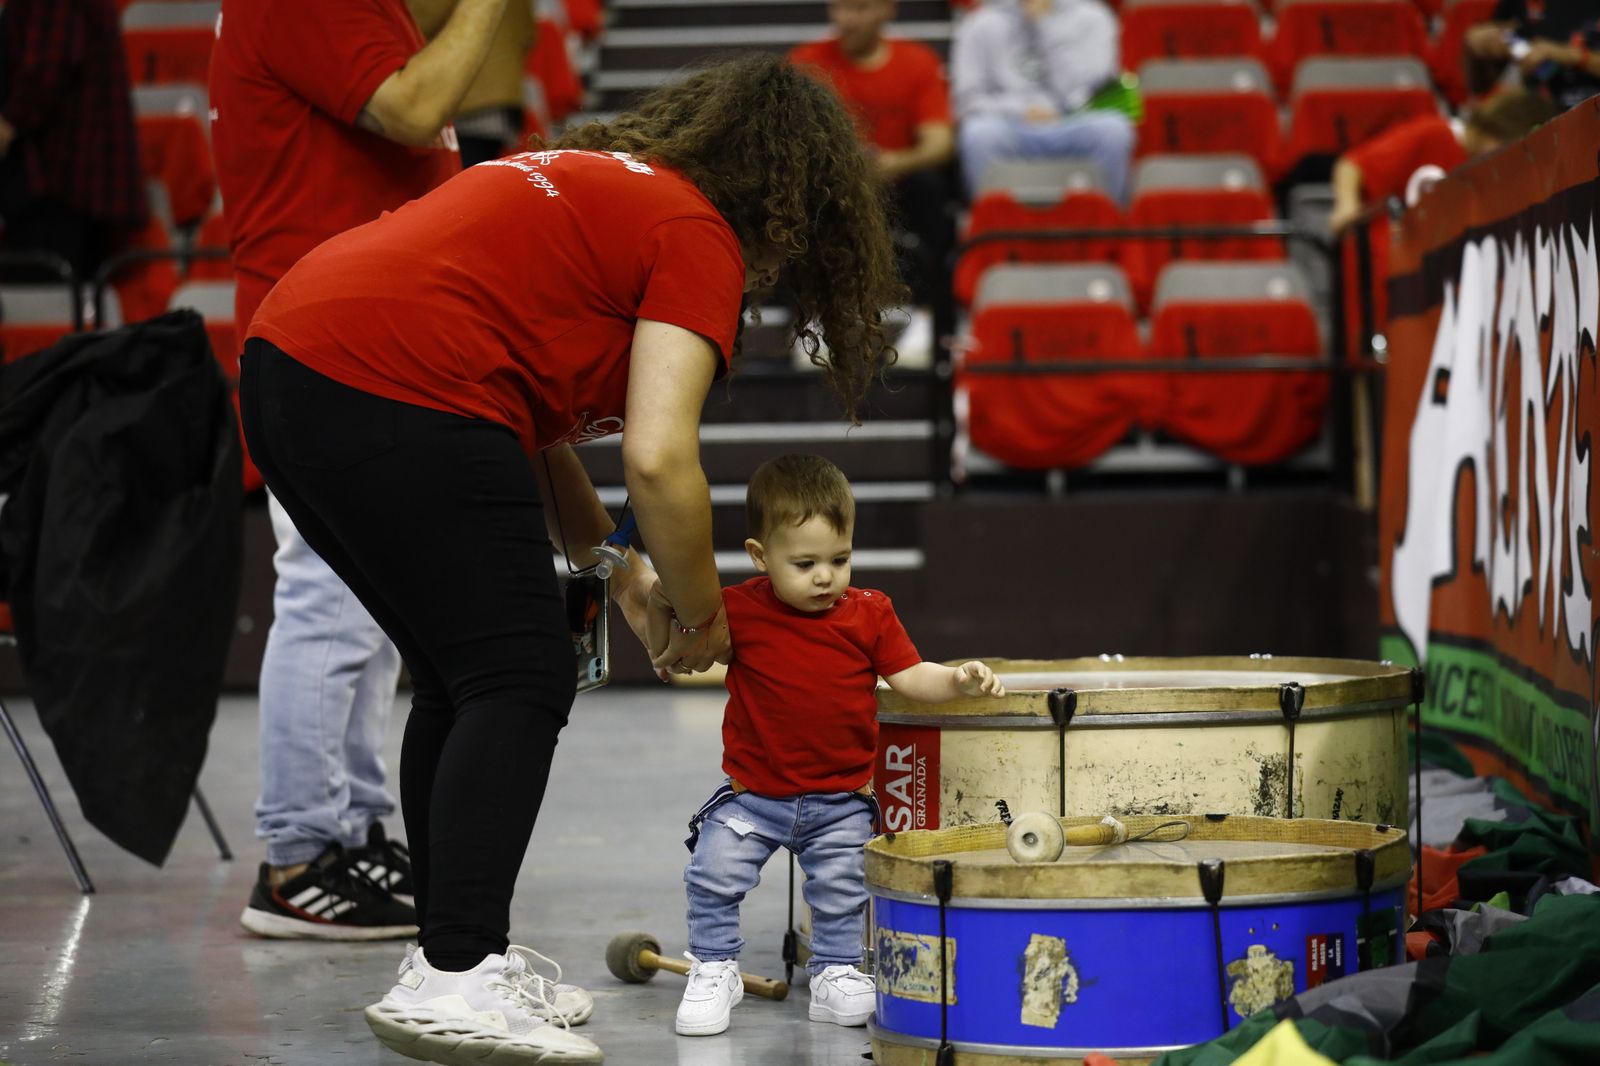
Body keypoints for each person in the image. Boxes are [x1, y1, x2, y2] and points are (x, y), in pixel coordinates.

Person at [237, 54, 904, 1064]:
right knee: (516, 672)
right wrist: (702, 614)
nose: (776, 274)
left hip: (291, 364)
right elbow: (659, 455)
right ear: (788, 210)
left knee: (466, 680)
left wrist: (617, 576)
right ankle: (458, 975)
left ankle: (452, 958)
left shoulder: (597, 179)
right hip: (397, 383)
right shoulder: (695, 235)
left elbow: (532, 424)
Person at [210, 0, 511, 940]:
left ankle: (351, 829)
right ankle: (298, 857)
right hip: (325, 333)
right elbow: (414, 111)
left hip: (359, 327)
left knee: (374, 611)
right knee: (330, 603)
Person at [672, 454, 1005, 1038]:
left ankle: (835, 972)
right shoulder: (739, 610)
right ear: (760, 556)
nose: (825, 576)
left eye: (840, 559)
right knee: (713, 871)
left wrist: (955, 679)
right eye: (804, 563)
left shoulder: (870, 614)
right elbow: (688, 651)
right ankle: (713, 964)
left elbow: (908, 678)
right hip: (754, 797)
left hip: (841, 801)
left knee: (845, 887)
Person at [790, 0, 955, 365]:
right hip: (833, 179)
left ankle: (927, 317)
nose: (847, 20)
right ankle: (813, 317)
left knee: (931, 187)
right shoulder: (807, 61)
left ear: (887, 10)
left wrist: (898, 161)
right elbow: (792, 138)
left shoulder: (917, 62)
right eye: (840, 8)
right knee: (805, 192)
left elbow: (940, 142)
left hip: (898, 180)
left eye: (860, 8)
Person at [0, 0, 146, 283]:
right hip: (64, 180)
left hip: (57, 183)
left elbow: (47, 67)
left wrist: (6, 125)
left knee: (45, 307)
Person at [950, 0, 1134, 204]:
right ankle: (989, 226)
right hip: (1011, 123)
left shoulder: (1093, 18)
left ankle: (1109, 225)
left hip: (1074, 119)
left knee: (1113, 129)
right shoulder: (980, 23)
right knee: (978, 134)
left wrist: (1045, 24)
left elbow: (1097, 91)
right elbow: (968, 99)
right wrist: (1021, 110)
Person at [1328, 88, 1562, 234]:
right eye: (1502, 147)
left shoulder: (1492, 174)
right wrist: (1347, 206)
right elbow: (1351, 165)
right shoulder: (1435, 133)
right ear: (1492, 128)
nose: (1501, 160)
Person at [410, 0, 538, 166]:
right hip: (503, 97)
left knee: (465, 181)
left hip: (467, 103)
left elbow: (418, 21)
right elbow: (528, 33)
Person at [1463, 0, 1599, 110]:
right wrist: (1478, 48)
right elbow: (1479, 86)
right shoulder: (1516, 7)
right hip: (1546, 111)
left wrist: (1572, 57)